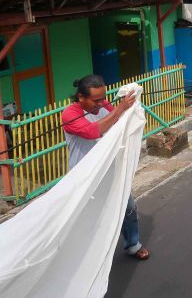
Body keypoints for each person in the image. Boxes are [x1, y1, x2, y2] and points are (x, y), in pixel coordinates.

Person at [62, 74, 150, 260]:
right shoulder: (70, 114)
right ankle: (82, 256)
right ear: (81, 98)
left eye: (103, 98)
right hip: (84, 175)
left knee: (128, 207)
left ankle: (133, 244)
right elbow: (93, 131)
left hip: (109, 169)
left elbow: (121, 120)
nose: (102, 103)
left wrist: (132, 103)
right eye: (96, 100)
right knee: (84, 217)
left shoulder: (105, 107)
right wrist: (119, 109)